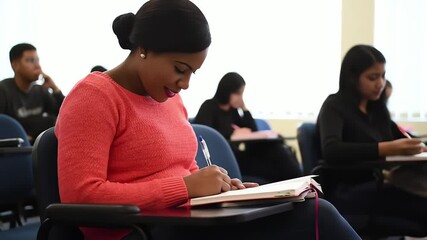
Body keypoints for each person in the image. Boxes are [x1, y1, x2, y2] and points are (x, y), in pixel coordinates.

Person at [55, 0, 360, 239]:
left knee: (315, 212)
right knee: (315, 219)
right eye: (179, 69)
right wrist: (186, 188)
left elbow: (186, 171)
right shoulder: (94, 96)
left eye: (192, 73)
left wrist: (222, 187)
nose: (185, 83)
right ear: (144, 49)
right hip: (138, 231)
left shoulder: (169, 100)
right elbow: (82, 195)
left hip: (186, 223)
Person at [317, 44, 427, 231]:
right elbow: (331, 150)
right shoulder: (334, 105)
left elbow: (407, 140)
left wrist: (417, 146)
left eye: (383, 76)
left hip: (380, 182)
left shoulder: (376, 109)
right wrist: (386, 148)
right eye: (372, 77)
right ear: (352, 78)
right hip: (349, 189)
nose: (380, 83)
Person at [194, 72, 302, 183]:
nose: (240, 98)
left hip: (239, 156)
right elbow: (206, 135)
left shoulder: (233, 111)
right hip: (227, 160)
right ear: (227, 91)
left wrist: (244, 108)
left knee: (277, 150)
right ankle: (301, 182)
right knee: (276, 167)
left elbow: (252, 131)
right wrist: (232, 133)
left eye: (242, 94)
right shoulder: (209, 107)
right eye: (237, 93)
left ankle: (301, 182)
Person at [0, 43, 64, 144]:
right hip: (16, 151)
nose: (37, 65)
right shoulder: (4, 90)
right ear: (15, 65)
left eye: (37, 60)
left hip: (38, 148)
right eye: (31, 60)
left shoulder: (40, 90)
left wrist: (55, 89)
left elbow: (64, 115)